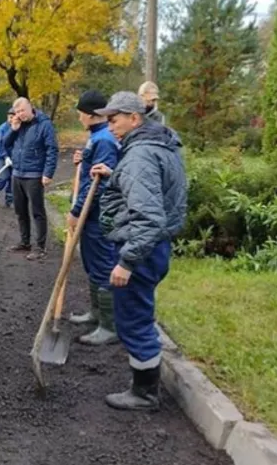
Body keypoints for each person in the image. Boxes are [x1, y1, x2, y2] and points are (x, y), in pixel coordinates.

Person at [91, 91, 187, 411]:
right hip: (154, 246)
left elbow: (148, 216)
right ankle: (145, 383)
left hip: (141, 249)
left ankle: (144, 393)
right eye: (107, 120)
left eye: (115, 119)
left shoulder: (139, 156)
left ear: (135, 118)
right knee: (139, 314)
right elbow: (152, 190)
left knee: (133, 320)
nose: (110, 126)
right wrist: (114, 176)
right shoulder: (159, 145)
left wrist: (127, 262)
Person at [66, 90, 121, 346]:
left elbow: (97, 185)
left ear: (90, 115)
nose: (78, 118)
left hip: (98, 215)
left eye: (80, 113)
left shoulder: (105, 140)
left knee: (101, 264)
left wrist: (77, 211)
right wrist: (83, 158)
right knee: (92, 263)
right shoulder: (96, 138)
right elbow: (90, 171)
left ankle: (109, 326)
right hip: (91, 216)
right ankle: (96, 313)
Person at [4, 97, 59, 260]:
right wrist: (13, 129)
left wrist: (48, 173)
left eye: (22, 111)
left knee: (37, 211)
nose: (20, 114)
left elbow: (52, 150)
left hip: (35, 175)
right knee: (20, 211)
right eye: (17, 112)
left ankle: (40, 247)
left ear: (30, 108)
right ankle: (25, 242)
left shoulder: (44, 124)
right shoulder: (18, 125)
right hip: (17, 173)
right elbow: (5, 144)